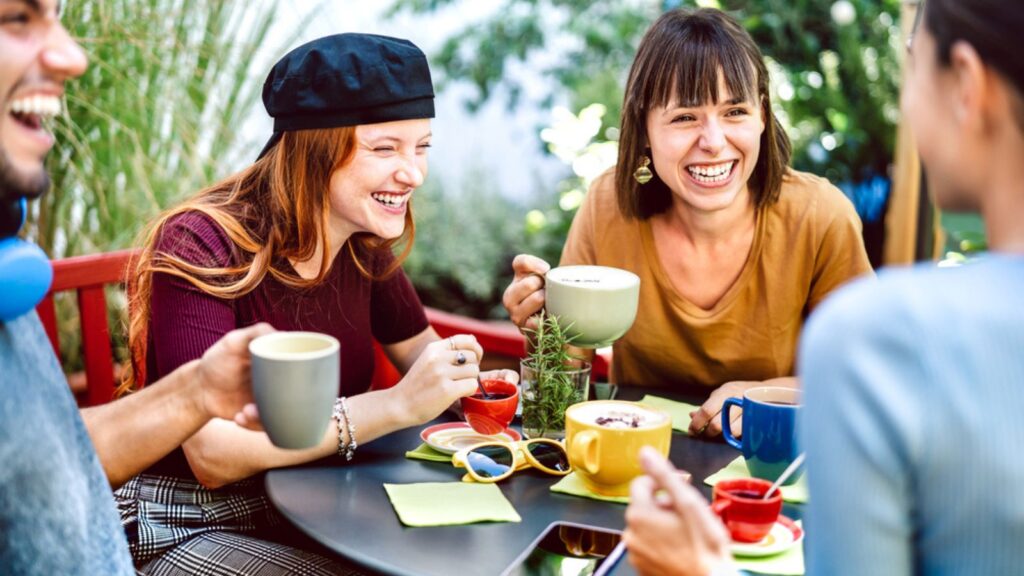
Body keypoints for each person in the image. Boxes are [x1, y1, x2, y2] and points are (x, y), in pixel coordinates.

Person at [624, 0, 1024, 574]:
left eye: (912, 66)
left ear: (966, 83)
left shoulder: (875, 337)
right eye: (685, 117)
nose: (905, 104)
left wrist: (702, 570)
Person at [113, 33, 515, 573]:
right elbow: (213, 454)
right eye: (385, 148)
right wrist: (393, 405)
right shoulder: (201, 243)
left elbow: (434, 370)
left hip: (317, 504)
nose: (414, 173)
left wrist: (529, 351)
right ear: (314, 148)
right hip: (182, 520)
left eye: (421, 147)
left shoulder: (362, 243)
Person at [502, 8, 872, 437]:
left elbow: (864, 379)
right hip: (635, 462)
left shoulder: (820, 216)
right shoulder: (609, 206)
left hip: (767, 465)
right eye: (685, 117)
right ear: (642, 128)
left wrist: (763, 394)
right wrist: (542, 327)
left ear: (763, 116)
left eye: (735, 112)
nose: (714, 142)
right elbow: (566, 383)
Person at [0, 1, 275, 574]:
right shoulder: (199, 239)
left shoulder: (9, 283)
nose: (72, 57)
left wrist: (199, 390)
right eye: (16, 19)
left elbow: (53, 449)